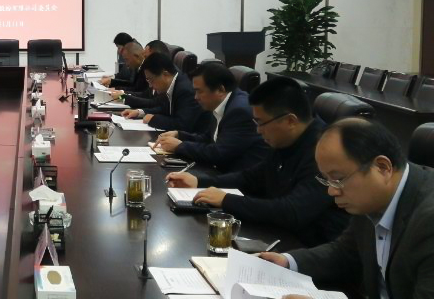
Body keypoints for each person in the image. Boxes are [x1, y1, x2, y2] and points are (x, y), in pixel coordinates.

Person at [258, 118, 434, 299]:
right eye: (327, 179)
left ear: (382, 167)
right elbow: (345, 253)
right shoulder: (372, 197)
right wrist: (287, 262)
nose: (331, 191)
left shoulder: (429, 222)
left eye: (338, 179)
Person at [166, 77, 349, 246]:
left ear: (290, 121)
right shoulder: (286, 139)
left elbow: (293, 211)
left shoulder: (323, 151)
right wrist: (199, 181)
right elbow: (252, 177)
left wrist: (227, 200)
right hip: (278, 233)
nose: (258, 131)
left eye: (261, 123)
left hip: (308, 245)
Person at [154, 62, 269, 173]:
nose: (196, 97)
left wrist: (180, 146)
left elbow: (219, 153)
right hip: (220, 171)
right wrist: (179, 135)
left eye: (199, 92)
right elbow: (208, 138)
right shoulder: (221, 103)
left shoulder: (239, 111)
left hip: (237, 179)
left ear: (220, 90)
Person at [121, 52, 209, 132]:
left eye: (151, 80)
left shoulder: (185, 90)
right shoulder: (172, 84)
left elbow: (182, 125)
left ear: (165, 74)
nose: (150, 86)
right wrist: (140, 112)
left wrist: (153, 119)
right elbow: (164, 109)